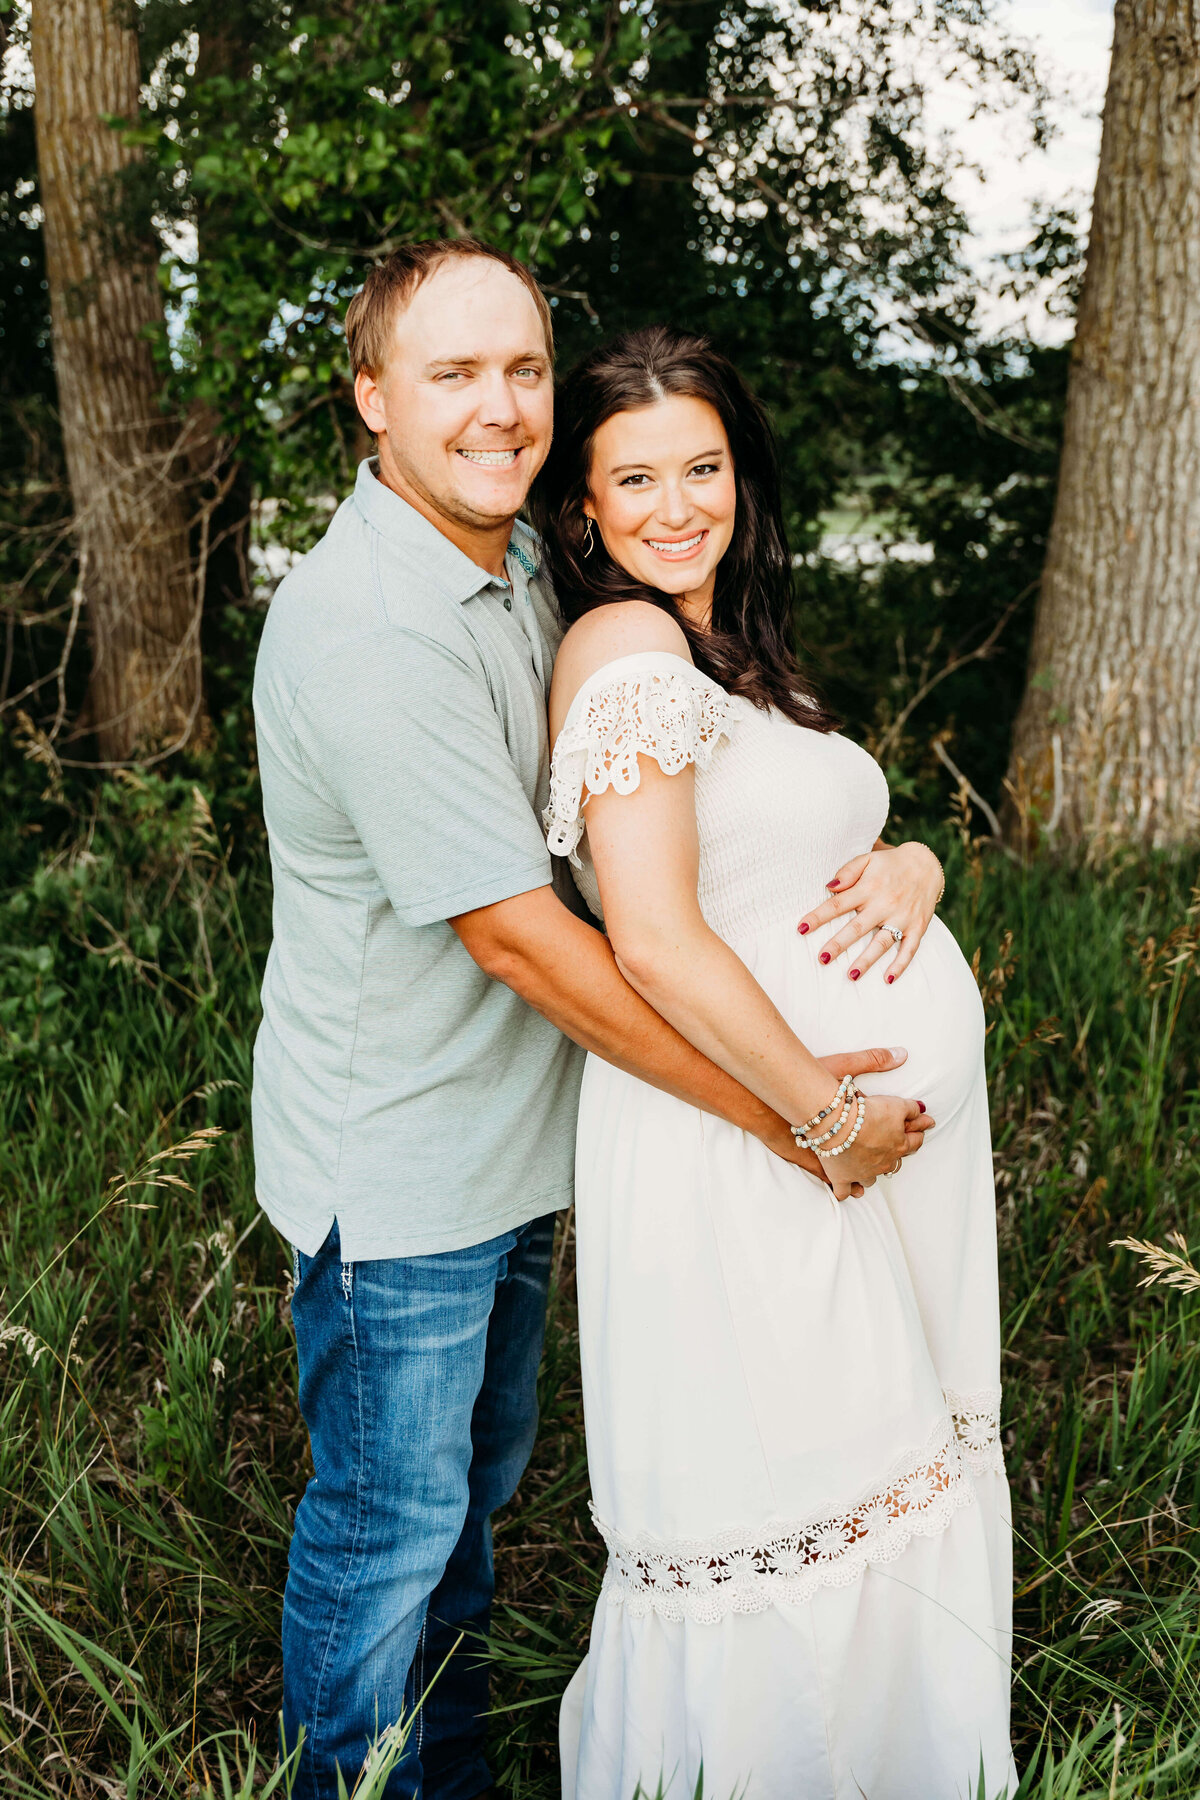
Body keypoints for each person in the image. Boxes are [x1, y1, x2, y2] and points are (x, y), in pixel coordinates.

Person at [251, 239, 944, 1799]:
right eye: (451, 375)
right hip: (406, 1165)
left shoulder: (513, 564)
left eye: (522, 371)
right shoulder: (375, 626)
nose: (501, 408)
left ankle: (451, 1779)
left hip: (521, 1145)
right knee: (387, 1535)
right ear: (371, 398)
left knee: (469, 1523)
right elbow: (534, 945)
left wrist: (912, 853)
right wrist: (800, 1122)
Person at [530, 324, 1015, 1799]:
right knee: (794, 1484)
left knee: (868, 1460)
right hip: (752, 1143)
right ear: (582, 512)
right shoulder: (624, 647)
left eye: (705, 467)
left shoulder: (717, 648)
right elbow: (659, 943)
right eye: (635, 479)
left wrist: (919, 864)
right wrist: (828, 1114)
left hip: (822, 1147)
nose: (678, 505)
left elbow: (789, 860)